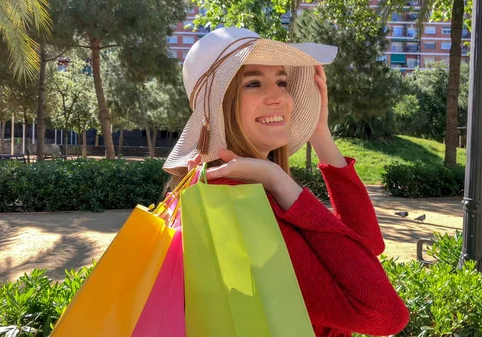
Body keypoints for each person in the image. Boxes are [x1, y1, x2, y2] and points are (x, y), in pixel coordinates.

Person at [163, 27, 409, 337]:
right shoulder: (238, 207)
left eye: (282, 81)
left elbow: (365, 246)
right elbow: (384, 314)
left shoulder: (240, 192)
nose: (279, 96)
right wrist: (279, 179)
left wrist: (320, 135)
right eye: (253, 83)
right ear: (216, 109)